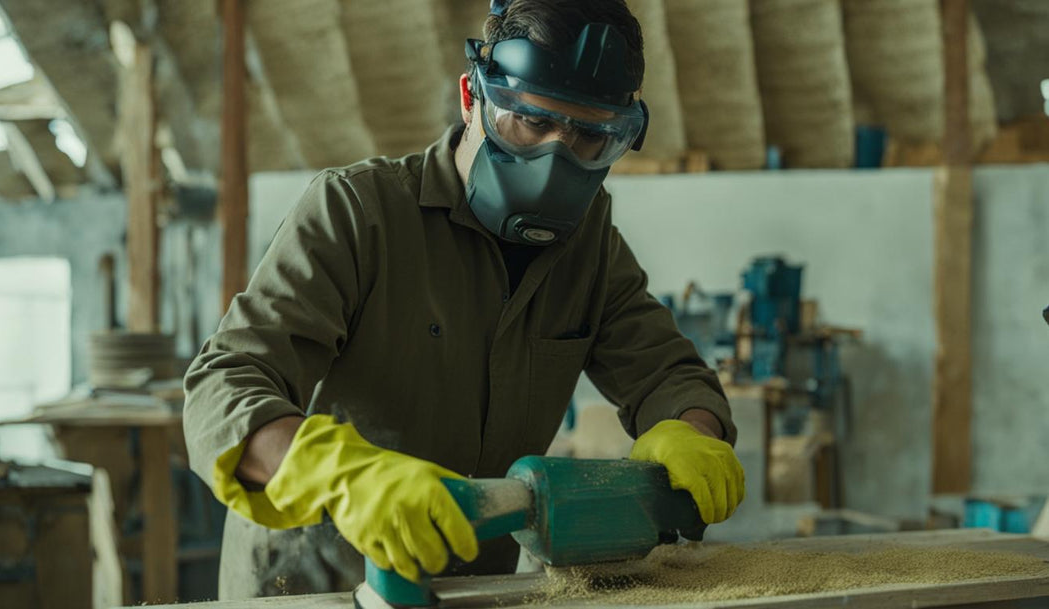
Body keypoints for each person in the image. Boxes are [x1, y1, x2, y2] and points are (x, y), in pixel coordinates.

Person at [183, 0, 744, 599]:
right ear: (472, 96)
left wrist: (692, 429)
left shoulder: (591, 250)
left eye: (591, 138)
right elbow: (224, 388)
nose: (555, 159)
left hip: (476, 590)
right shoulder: (356, 212)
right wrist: (342, 478)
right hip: (314, 586)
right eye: (529, 122)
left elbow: (668, 374)